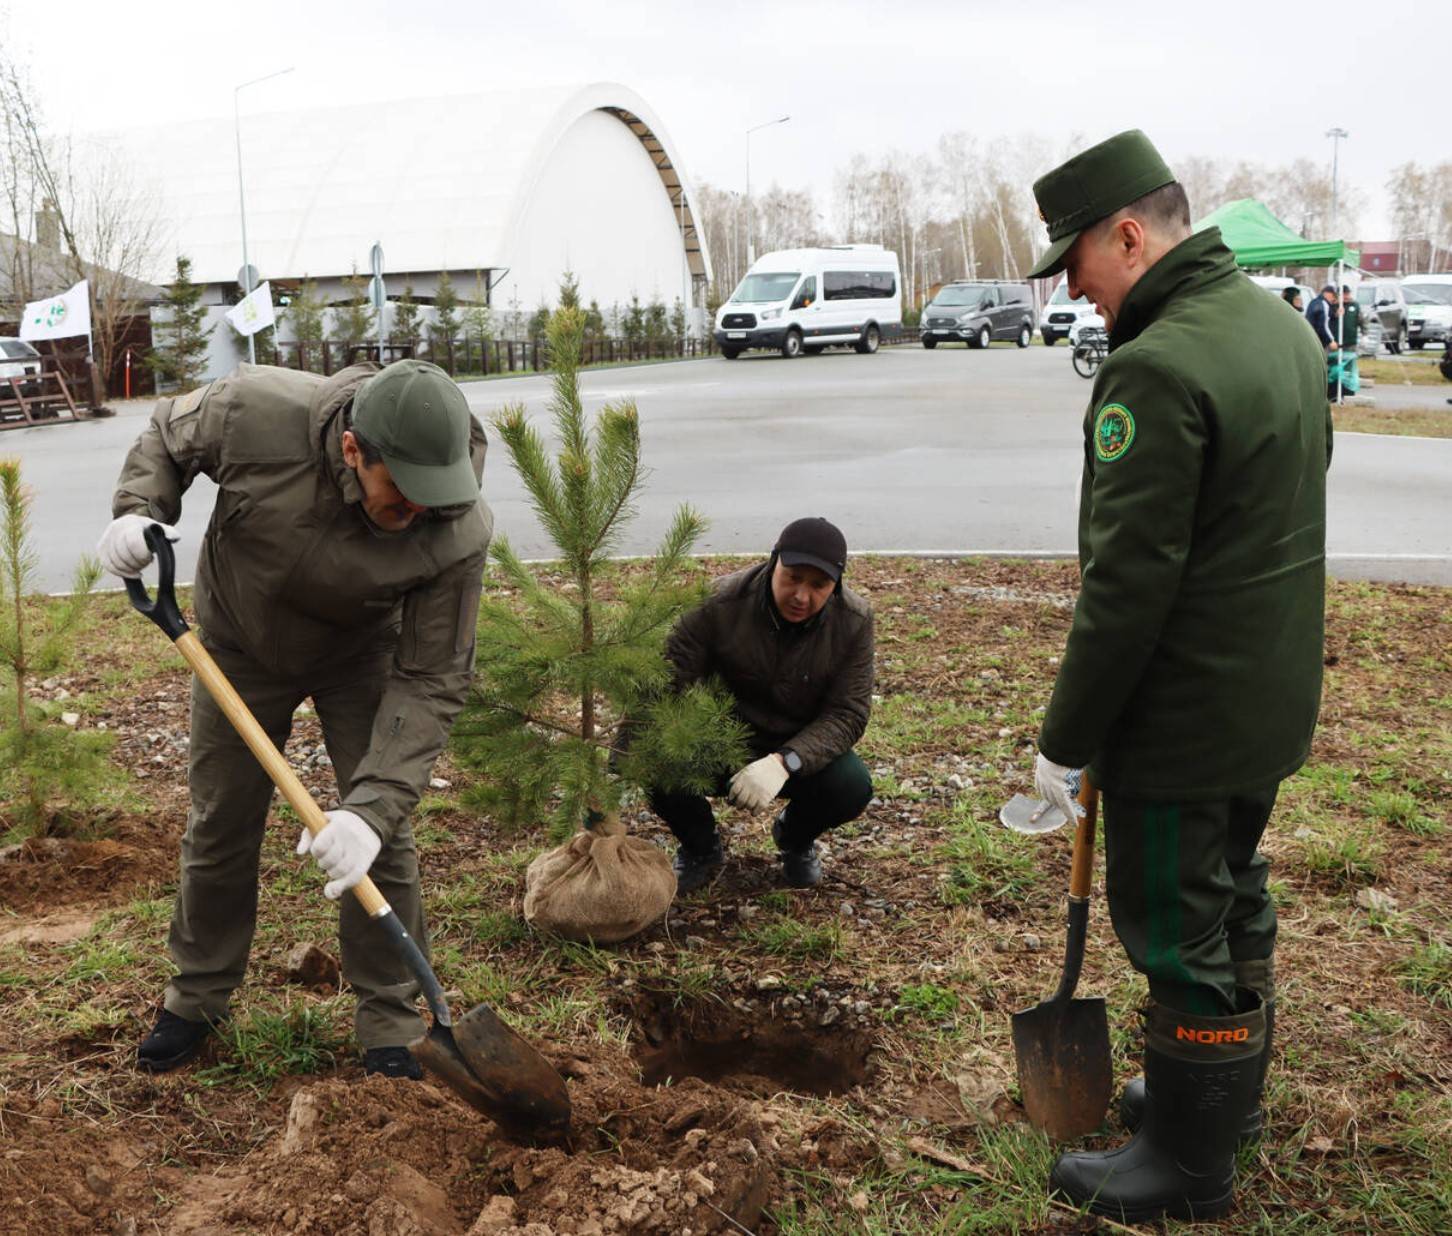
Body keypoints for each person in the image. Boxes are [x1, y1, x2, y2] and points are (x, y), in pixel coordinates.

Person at [1024, 130, 1332, 1224]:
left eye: (1078, 265)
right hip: (1270, 697)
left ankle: (1188, 1167)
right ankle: (1224, 1097)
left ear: (1129, 233)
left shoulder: (1155, 366)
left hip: (1184, 718)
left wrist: (1065, 742)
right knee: (1234, 885)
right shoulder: (1280, 329)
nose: (1078, 292)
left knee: (1172, 923)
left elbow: (1126, 590)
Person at [99, 359, 491, 1080]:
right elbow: (168, 434)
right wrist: (138, 508)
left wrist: (367, 813)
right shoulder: (253, 410)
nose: (417, 516)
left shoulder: (456, 523)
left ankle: (393, 1020)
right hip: (239, 645)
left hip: (359, 655)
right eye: (400, 498)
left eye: (431, 503)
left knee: (385, 838)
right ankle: (196, 997)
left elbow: (432, 676)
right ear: (353, 450)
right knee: (221, 821)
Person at [645, 517, 874, 892]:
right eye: (793, 577)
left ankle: (794, 839)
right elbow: (661, 685)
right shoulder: (717, 602)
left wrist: (785, 761)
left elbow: (848, 713)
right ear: (773, 562)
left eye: (819, 586)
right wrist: (610, 778)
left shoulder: (854, 622)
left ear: (836, 585)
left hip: (797, 750)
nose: (802, 596)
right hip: (715, 740)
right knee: (654, 758)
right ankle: (701, 845)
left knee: (851, 785)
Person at [1331, 283, 1361, 401]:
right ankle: (1335, 393)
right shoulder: (1333, 307)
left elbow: (1361, 321)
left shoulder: (1355, 306)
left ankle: (1348, 391)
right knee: (1335, 369)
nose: (1346, 296)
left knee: (1348, 370)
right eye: (1343, 294)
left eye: (1347, 294)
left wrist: (1364, 334)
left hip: (1350, 343)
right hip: (1335, 344)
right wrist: (1336, 314)